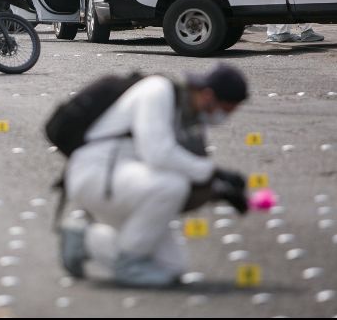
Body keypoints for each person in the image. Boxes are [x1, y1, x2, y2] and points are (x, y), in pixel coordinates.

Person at [60, 65, 249, 288]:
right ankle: (128, 263)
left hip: (128, 184)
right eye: (225, 110)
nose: (223, 117)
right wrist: (214, 172)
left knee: (171, 268)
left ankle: (85, 239)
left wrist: (220, 190)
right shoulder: (158, 91)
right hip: (97, 175)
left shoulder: (190, 117)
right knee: (172, 186)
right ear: (208, 95)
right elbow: (158, 153)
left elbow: (188, 170)